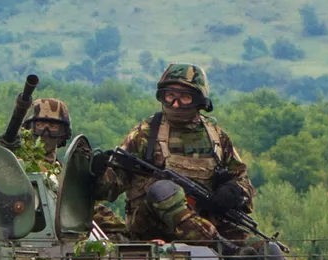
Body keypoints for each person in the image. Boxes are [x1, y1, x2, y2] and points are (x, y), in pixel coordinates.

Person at [94, 62, 254, 247]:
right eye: (170, 96)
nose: (175, 104)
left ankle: (226, 248)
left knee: (267, 251)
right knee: (163, 190)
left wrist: (234, 191)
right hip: (153, 229)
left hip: (211, 225)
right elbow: (110, 188)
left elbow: (244, 183)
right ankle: (223, 249)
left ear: (198, 100)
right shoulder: (145, 135)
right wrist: (98, 173)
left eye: (184, 97)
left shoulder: (217, 139)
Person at [24, 96, 73, 168]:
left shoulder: (61, 172)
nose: (46, 133)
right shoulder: (15, 164)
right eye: (40, 125)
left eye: (53, 127)